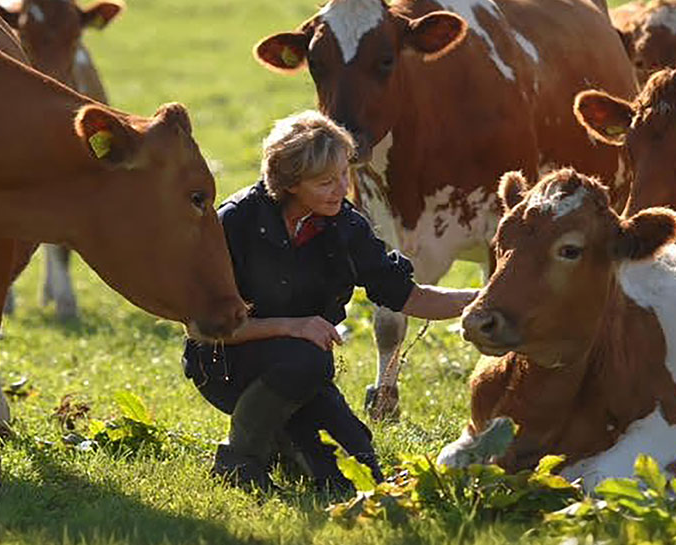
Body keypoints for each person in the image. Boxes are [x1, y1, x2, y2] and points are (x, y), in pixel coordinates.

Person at [183, 110, 478, 494]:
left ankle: (281, 441)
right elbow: (198, 327)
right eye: (325, 182)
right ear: (289, 183)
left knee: (357, 468)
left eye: (344, 175)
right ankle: (239, 460)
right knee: (309, 358)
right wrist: (294, 326)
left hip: (299, 372)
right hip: (225, 364)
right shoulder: (236, 222)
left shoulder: (345, 225)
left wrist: (485, 299)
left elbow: (409, 296)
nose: (341, 189)